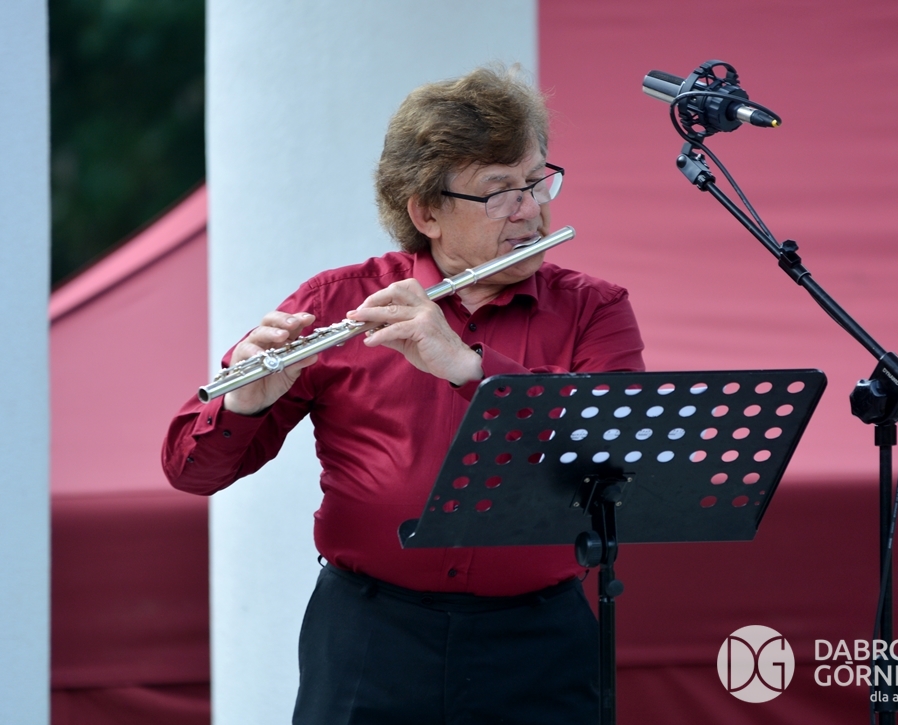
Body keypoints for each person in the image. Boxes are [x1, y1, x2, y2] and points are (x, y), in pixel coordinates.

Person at [162, 65, 645, 724]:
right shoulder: (336, 302)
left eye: (536, 181)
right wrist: (245, 402)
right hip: (370, 637)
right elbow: (190, 471)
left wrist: (472, 369)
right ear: (427, 213)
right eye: (499, 192)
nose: (530, 209)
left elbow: (616, 444)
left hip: (537, 642)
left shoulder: (594, 310)